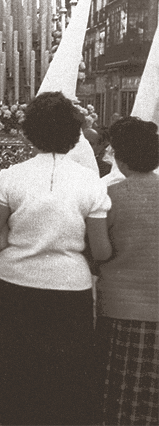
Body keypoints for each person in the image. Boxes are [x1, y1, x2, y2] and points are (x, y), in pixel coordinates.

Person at [0, 91, 112, 426]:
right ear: (74, 132)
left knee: (15, 377)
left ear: (29, 132)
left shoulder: (10, 177)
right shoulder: (90, 183)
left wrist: (10, 237)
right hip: (70, 290)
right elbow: (101, 250)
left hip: (13, 286)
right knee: (62, 382)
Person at [96, 116, 159, 426]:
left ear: (119, 157)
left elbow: (96, 252)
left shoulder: (111, 196)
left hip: (122, 312)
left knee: (121, 406)